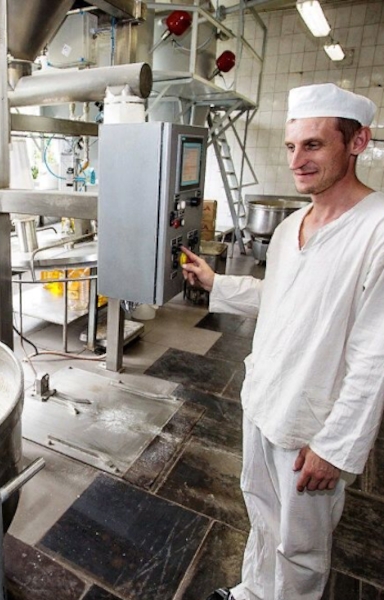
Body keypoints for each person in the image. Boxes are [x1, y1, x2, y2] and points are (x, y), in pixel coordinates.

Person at [181, 83, 384, 600]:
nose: (297, 160)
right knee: (261, 513)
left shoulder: (376, 230)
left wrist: (335, 446)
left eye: (313, 145)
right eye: (292, 146)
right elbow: (280, 298)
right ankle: (254, 591)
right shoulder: (295, 223)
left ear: (357, 142)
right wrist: (216, 282)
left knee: (300, 544)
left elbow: (375, 356)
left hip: (311, 422)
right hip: (264, 400)